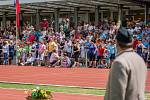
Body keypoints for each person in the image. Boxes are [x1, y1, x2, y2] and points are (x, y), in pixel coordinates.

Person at [105, 27, 147, 100]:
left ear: (117, 42)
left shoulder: (119, 62)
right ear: (132, 42)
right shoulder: (140, 60)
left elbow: (116, 95)